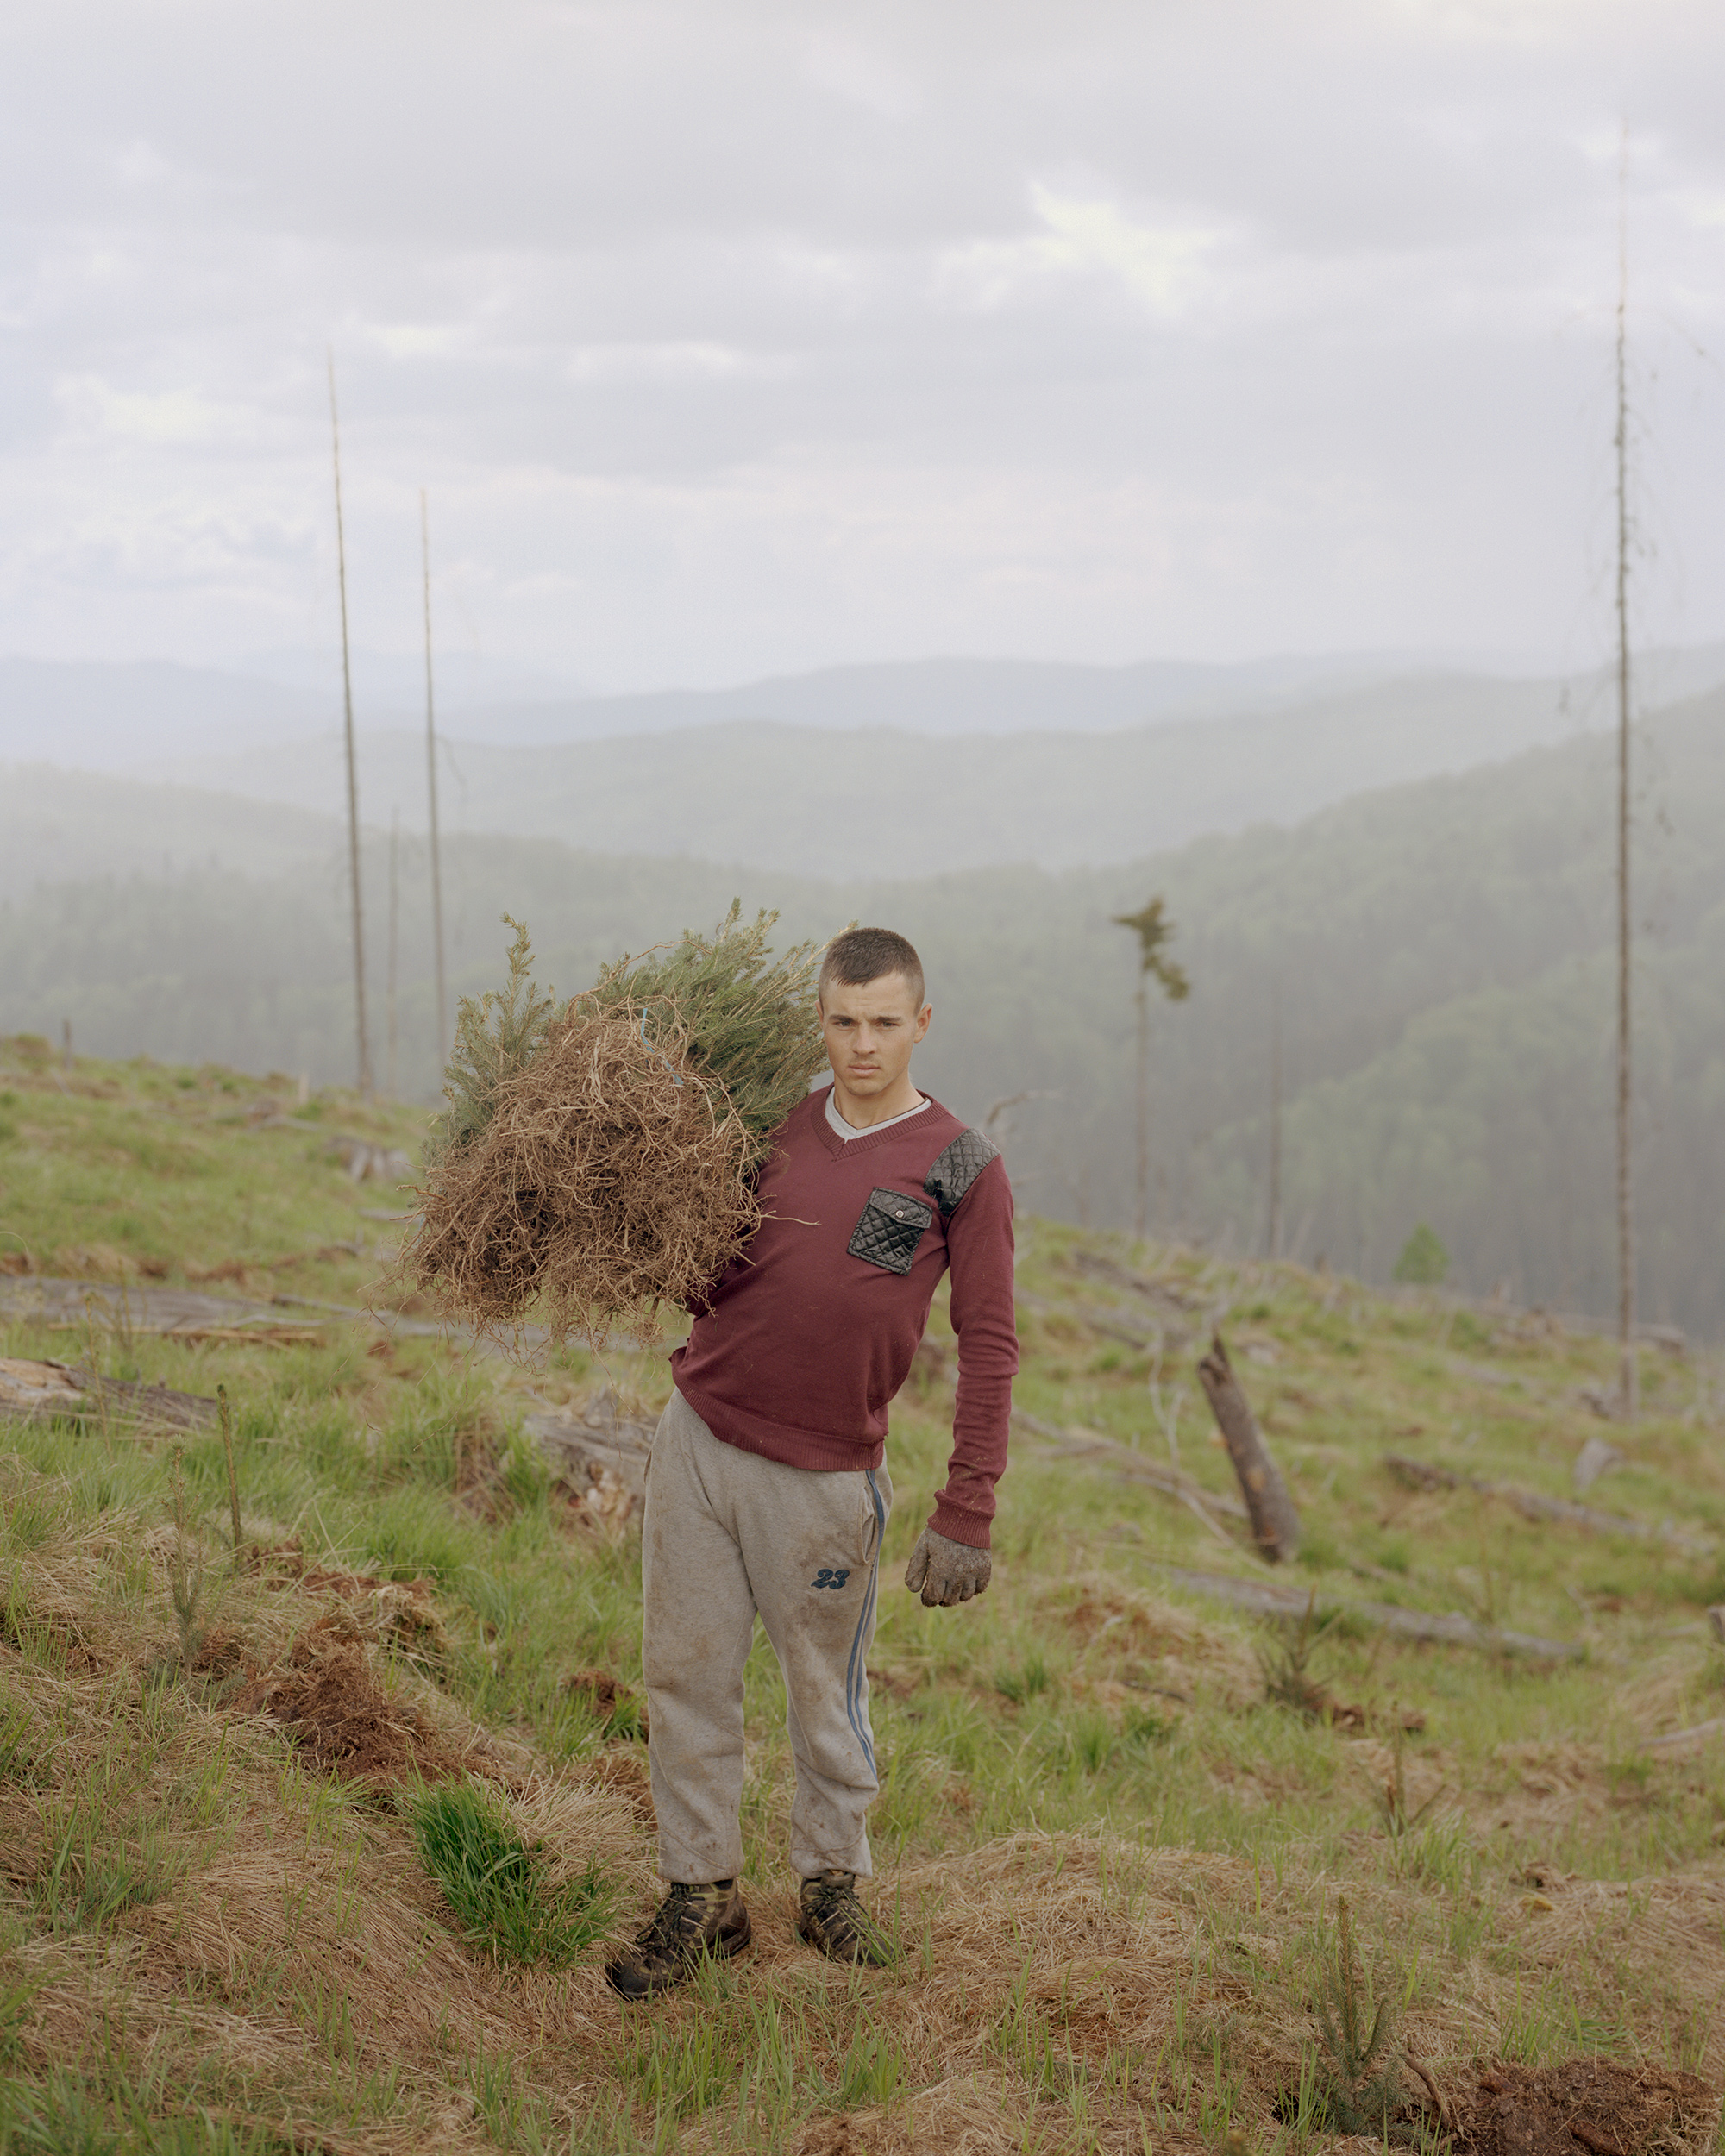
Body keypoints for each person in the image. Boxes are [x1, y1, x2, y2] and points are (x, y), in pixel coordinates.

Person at [605, 925, 1019, 1999]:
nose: (862, 1045)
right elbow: (714, 1269)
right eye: (842, 1021)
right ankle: (704, 1893)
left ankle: (831, 1882)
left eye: (884, 1023)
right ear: (819, 1019)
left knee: (820, 1693)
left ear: (920, 1023)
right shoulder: (769, 1125)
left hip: (827, 1478)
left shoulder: (961, 1169)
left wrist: (965, 1509)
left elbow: (990, 1342)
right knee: (684, 1672)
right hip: (698, 1439)